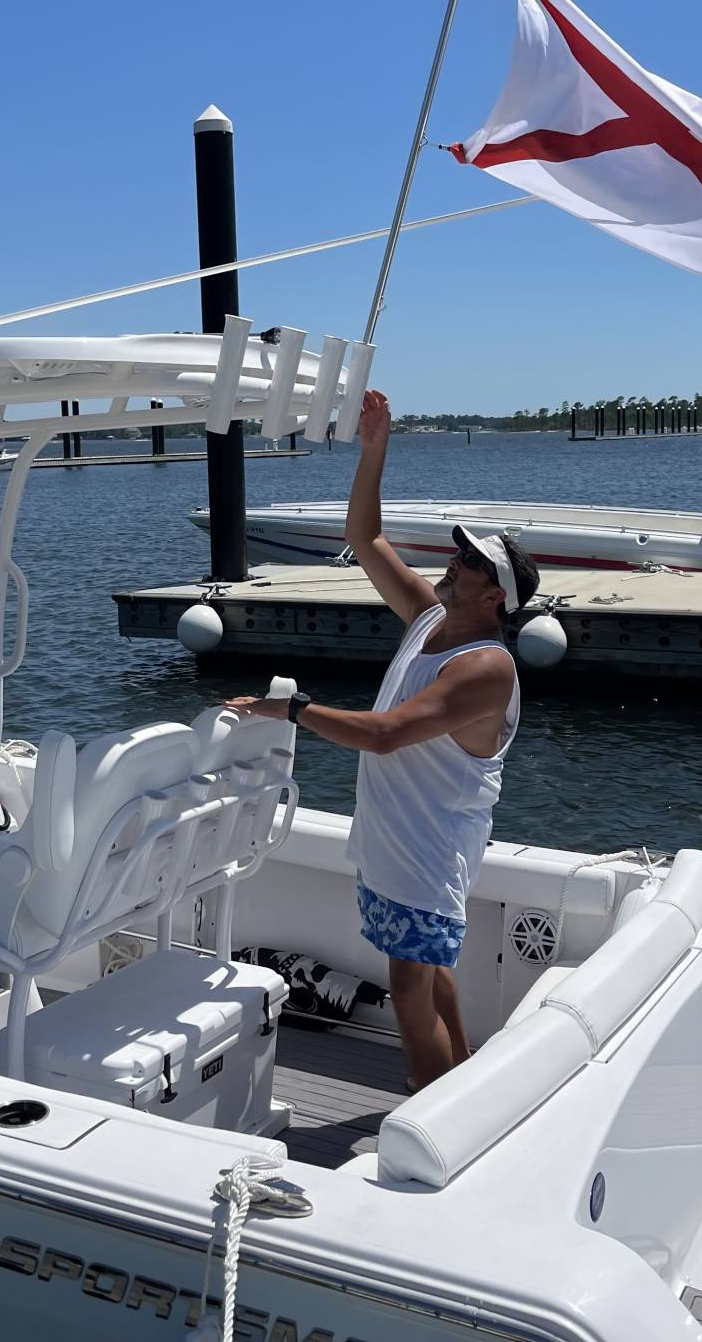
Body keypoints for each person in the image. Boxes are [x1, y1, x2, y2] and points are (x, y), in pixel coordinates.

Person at [227, 389, 540, 1089]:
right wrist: (375, 451)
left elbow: (389, 735)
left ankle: (428, 1114)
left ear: (496, 598)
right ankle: (461, 1090)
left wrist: (292, 708)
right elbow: (365, 540)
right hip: (398, 838)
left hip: (427, 850)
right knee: (430, 976)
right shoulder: (431, 620)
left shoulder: (485, 667)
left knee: (409, 992)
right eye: (459, 557)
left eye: (471, 565)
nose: (454, 564)